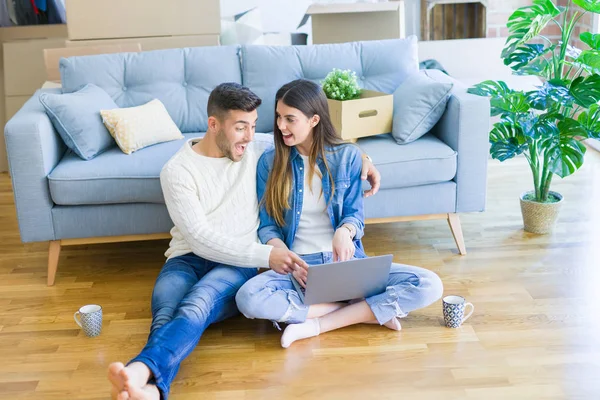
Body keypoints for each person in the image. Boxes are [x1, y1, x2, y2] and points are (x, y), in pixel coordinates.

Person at [107, 82, 382, 400]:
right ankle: (153, 389)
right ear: (214, 125)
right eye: (241, 128)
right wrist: (267, 255)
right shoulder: (177, 171)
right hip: (188, 256)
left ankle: (139, 372)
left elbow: (312, 138)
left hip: (239, 262)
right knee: (165, 310)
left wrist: (364, 158)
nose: (250, 136)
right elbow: (199, 239)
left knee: (197, 305)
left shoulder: (255, 153)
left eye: (253, 126)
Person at [235, 79, 444, 348]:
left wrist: (345, 232)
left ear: (314, 120)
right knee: (248, 297)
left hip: (347, 265)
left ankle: (315, 324)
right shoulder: (270, 161)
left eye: (290, 119)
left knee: (429, 284)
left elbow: (354, 216)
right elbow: (267, 227)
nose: (280, 126)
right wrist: (284, 255)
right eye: (278, 117)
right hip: (299, 269)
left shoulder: (347, 157)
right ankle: (362, 312)